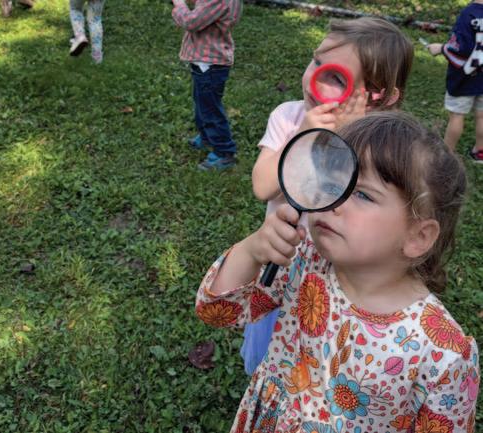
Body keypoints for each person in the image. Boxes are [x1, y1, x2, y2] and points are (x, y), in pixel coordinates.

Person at [195, 111, 479, 432]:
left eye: (362, 194)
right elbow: (216, 311)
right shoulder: (304, 261)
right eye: (332, 182)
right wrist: (251, 250)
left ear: (418, 237)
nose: (334, 200)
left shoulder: (442, 353)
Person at [242, 17, 414, 376]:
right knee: (267, 351)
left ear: (380, 97)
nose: (314, 79)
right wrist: (302, 139)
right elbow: (262, 186)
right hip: (281, 265)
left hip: (336, 280)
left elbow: (354, 207)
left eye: (336, 77)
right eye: (316, 61)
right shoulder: (289, 117)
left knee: (317, 364)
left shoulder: (379, 147)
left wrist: (346, 139)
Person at [171, 0, 242, 171]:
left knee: (210, 109)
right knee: (202, 104)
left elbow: (191, 22)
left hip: (210, 64)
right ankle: (207, 137)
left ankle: (224, 152)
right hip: (204, 62)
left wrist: (179, 5)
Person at [427, 0, 483, 162]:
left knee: (457, 116)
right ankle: (480, 152)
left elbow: (460, 49)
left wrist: (441, 48)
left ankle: (446, 156)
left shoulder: (469, 14)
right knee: (481, 116)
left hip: (464, 78)